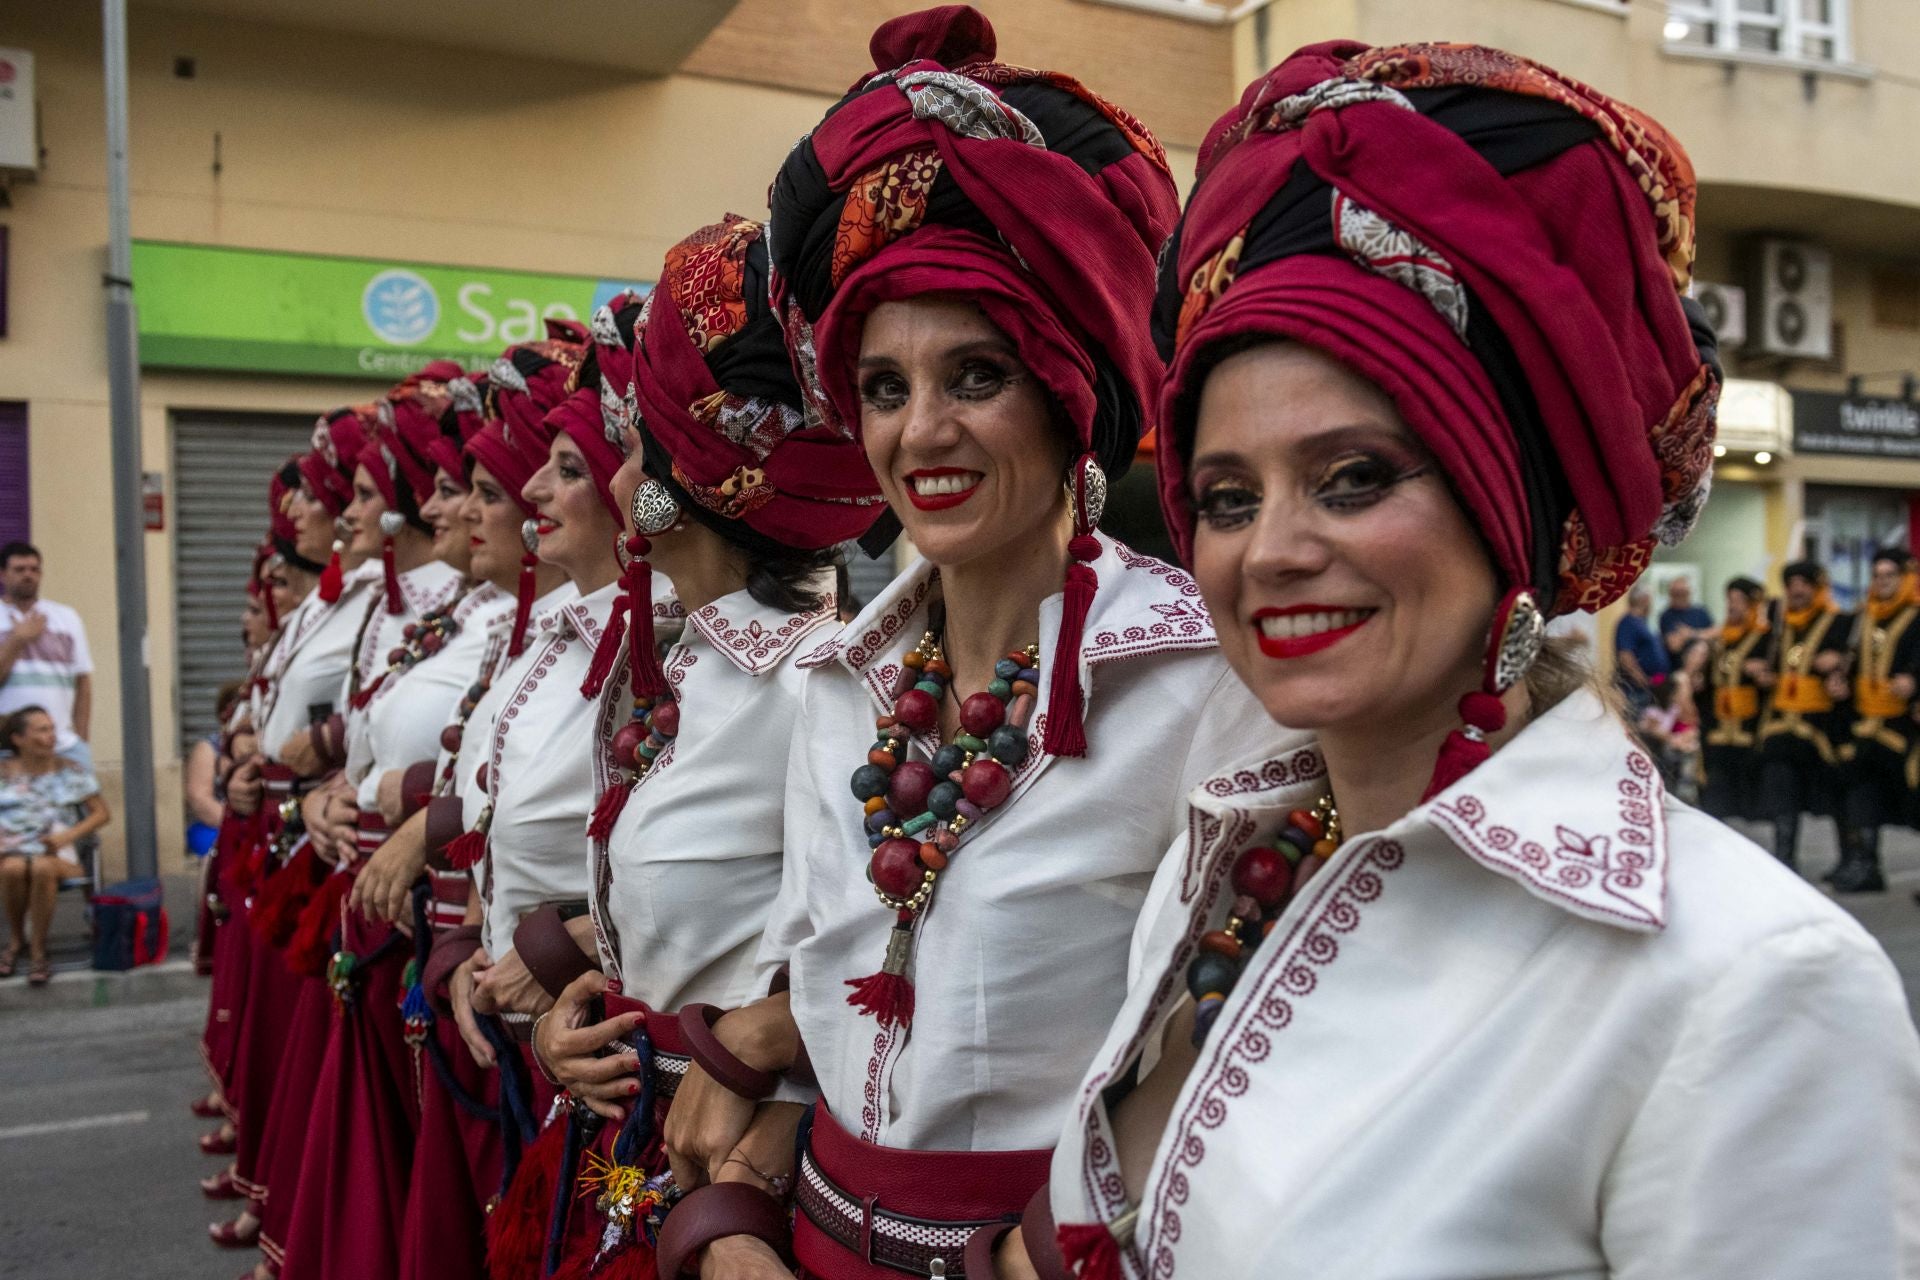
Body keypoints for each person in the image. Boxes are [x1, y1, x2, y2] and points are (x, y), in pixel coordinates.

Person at [1034, 40, 1920, 1280]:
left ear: (1506, 517)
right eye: (1228, 498)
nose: (1271, 550)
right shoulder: (1227, 845)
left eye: (1352, 478)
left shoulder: (1750, 979)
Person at [656, 11, 1293, 1277]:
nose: (920, 431)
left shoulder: (1208, 686)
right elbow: (825, 975)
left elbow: (1239, 1055)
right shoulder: (838, 682)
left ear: (1068, 392)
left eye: (976, 375)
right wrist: (751, 1171)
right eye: (884, 387)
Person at [525, 217, 886, 1279]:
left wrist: (781, 1107)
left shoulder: (816, 682)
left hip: (726, 1174)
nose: (603, 467)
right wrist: (565, 1017)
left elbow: (879, 957)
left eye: (629, 439)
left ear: (676, 480)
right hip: (634, 1140)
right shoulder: (686, 667)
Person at [1753, 558, 1851, 872]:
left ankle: (1851, 859)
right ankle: (1785, 857)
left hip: (1821, 726)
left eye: (1803, 585)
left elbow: (1852, 664)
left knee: (1836, 794)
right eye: (1791, 585)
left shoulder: (1840, 623)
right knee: (1782, 790)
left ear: (1816, 588)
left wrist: (1836, 664)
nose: (1796, 591)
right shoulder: (1779, 625)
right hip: (1783, 725)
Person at [0, 705, 110, 985]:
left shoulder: (69, 770)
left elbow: (102, 813)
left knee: (40, 867)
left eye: (51, 729)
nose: (51, 736)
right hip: (10, 854)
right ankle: (16, 939)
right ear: (18, 738)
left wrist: (66, 837)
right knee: (13, 868)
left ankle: (37, 950)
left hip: (59, 856)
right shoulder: (2, 773)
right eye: (42, 730)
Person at [1831, 547, 1920, 893]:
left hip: (1906, 725)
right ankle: (1867, 864)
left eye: (1889, 576)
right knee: (1859, 786)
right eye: (1877, 576)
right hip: (1868, 723)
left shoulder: (1916, 616)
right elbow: (1850, 661)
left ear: (1905, 579)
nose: (1882, 583)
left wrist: (1914, 682)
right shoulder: (1862, 617)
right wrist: (1841, 680)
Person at [0, 542, 94, 770]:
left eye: (34, 569)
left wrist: (81, 739)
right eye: (20, 570)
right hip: (6, 748)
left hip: (62, 745)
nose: (28, 575)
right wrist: (17, 640)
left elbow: (83, 682)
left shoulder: (66, 617)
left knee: (82, 805)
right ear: (3, 574)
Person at [1698, 576, 1770, 824]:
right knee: (1716, 792)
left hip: (1749, 725)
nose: (1733, 606)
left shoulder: (1766, 639)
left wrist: (1762, 673)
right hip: (1719, 725)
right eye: (1729, 600)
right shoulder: (1722, 640)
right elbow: (1709, 682)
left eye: (1739, 600)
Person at [1611, 583, 1667, 713]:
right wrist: (1642, 680)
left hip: (1648, 689)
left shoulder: (1643, 622)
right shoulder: (1628, 623)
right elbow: (1625, 656)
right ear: (1645, 599)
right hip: (1635, 690)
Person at [1657, 573, 1713, 658]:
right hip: (1678, 666)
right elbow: (1674, 646)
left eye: (1682, 593)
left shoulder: (1701, 612)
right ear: (1670, 594)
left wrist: (1691, 634)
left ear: (1689, 593)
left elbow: (1715, 633)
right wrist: (1702, 635)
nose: (1679, 596)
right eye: (1676, 593)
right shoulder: (1666, 616)